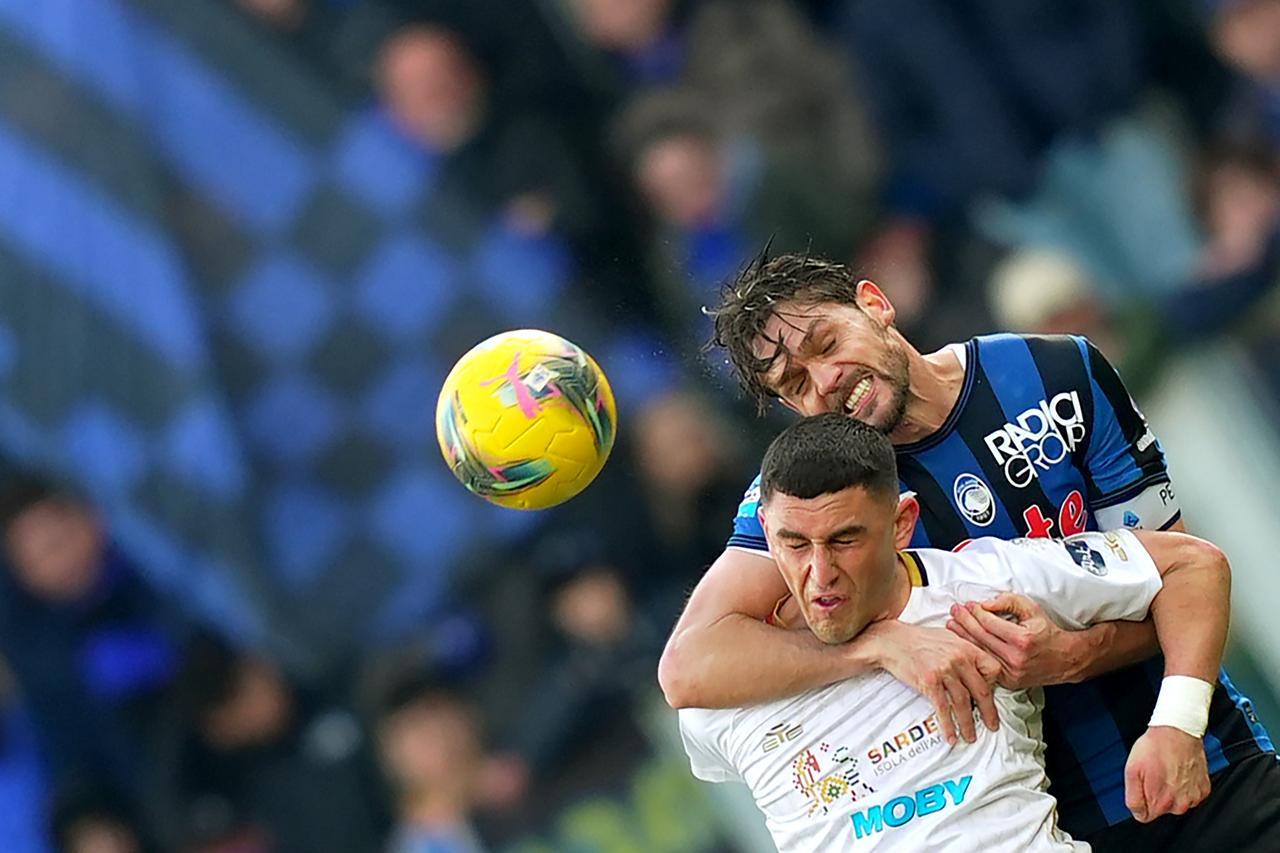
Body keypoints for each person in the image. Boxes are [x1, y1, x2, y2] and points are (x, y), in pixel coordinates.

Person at [659, 251, 1277, 848]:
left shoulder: (1056, 375)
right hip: (1049, 825)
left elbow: (1187, 579)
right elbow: (689, 665)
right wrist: (879, 645)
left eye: (826, 344)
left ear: (875, 304)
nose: (825, 381)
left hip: (1201, 758)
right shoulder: (814, 499)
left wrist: (1076, 659)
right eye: (794, 383)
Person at [679, 414, 1248, 850]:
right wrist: (877, 647)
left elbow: (1193, 566)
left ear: (901, 523)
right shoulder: (727, 690)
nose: (819, 573)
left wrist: (1177, 723)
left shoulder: (985, 584)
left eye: (845, 540)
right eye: (794, 544)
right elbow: (683, 680)